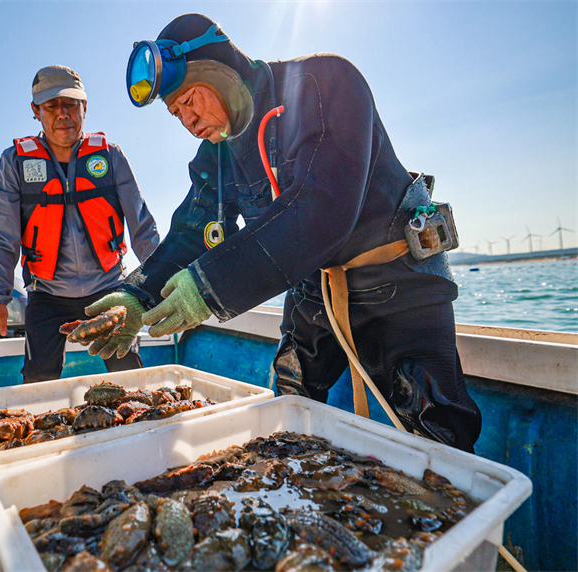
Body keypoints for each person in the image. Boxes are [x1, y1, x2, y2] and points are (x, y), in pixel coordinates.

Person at [88, 14, 482, 452]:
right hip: (314, 286)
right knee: (292, 392)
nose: (188, 119)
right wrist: (136, 296)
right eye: (176, 112)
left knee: (435, 420)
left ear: (216, 69)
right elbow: (189, 232)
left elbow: (323, 210)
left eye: (190, 99)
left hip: (396, 275)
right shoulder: (216, 154)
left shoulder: (327, 82)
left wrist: (208, 287)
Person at [0, 65, 160, 382]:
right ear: (36, 111)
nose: (63, 114)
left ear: (85, 108)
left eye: (71, 104)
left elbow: (143, 229)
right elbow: (3, 238)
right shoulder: (13, 164)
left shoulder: (111, 157)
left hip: (109, 289)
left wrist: (163, 281)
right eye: (51, 106)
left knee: (130, 375)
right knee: (38, 380)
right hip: (46, 294)